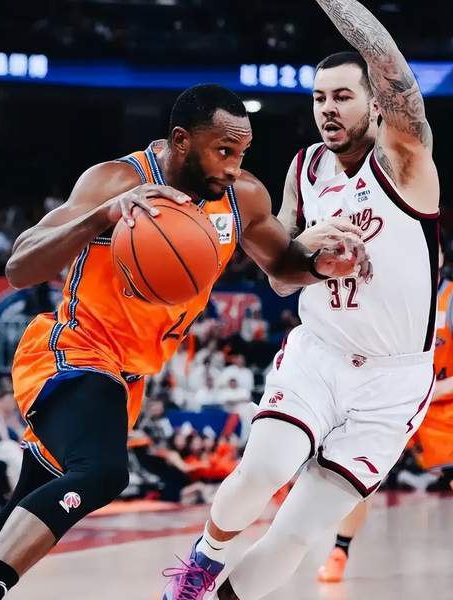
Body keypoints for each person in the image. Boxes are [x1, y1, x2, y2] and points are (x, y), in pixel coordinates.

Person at [0, 84, 367, 600]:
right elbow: (19, 267)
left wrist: (319, 264)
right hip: (73, 353)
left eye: (241, 154)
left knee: (9, 530)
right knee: (103, 474)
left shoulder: (241, 197)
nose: (233, 166)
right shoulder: (116, 181)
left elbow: (282, 267)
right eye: (223, 151)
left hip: (125, 380)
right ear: (181, 140)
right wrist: (100, 218)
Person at [161, 2, 439, 599]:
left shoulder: (405, 160)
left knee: (297, 531)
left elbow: (395, 69)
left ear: (375, 103)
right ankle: (198, 570)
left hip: (394, 383)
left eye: (343, 96)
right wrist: (309, 250)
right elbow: (282, 280)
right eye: (319, 98)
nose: (328, 109)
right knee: (263, 467)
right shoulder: (306, 168)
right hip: (321, 354)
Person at [318, 251, 453, 584]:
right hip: (392, 398)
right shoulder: (386, 294)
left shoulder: (449, 300)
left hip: (439, 403)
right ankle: (339, 552)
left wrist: (433, 390)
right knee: (359, 479)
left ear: (439, 259)